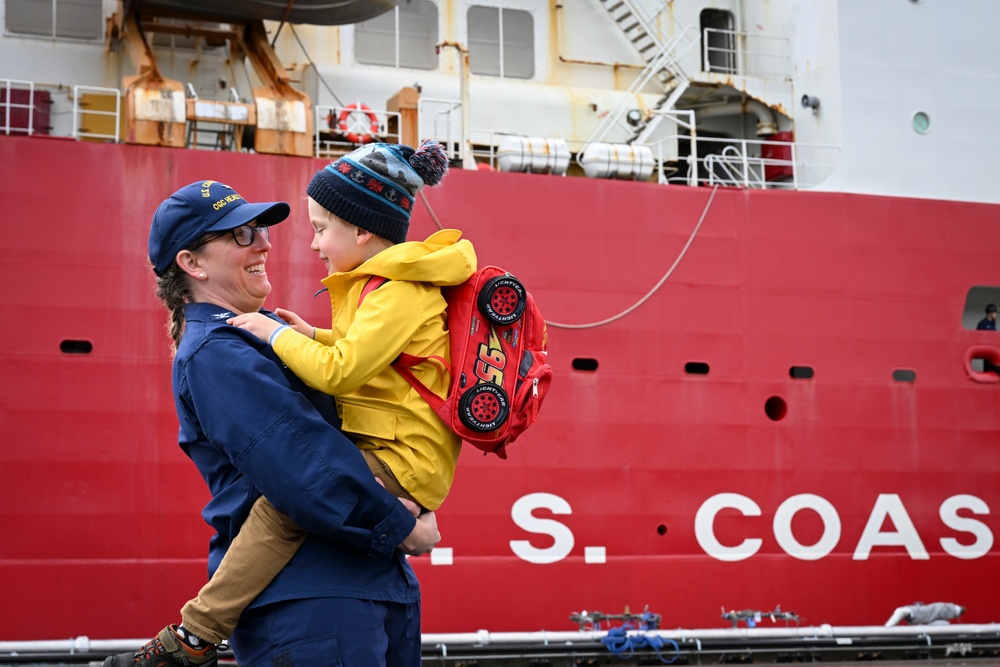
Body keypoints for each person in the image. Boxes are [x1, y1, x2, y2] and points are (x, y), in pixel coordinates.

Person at [104, 180, 440, 667]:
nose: (263, 242)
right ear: (192, 264)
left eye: (258, 228)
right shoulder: (218, 352)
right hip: (312, 606)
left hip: (357, 590)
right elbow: (304, 468)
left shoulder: (265, 337)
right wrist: (402, 528)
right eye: (240, 235)